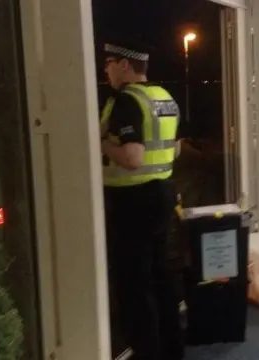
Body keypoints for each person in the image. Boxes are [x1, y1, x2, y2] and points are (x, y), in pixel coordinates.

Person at [100, 40, 184, 360]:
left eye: (109, 63)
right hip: (162, 193)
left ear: (124, 65)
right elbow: (174, 149)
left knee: (135, 284)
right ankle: (172, 348)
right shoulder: (164, 98)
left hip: (132, 201)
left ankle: (147, 352)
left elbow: (133, 158)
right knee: (161, 275)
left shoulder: (126, 101)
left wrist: (102, 144)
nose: (105, 69)